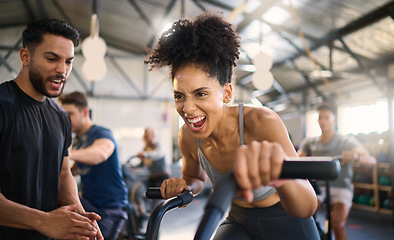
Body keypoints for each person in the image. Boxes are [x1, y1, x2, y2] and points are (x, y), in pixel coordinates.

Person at [145, 11, 320, 239]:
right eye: (179, 96)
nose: (187, 108)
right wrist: (183, 185)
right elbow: (196, 178)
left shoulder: (261, 123)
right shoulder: (187, 137)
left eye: (200, 94)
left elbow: (307, 206)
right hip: (240, 221)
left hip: (287, 220)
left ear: (226, 93)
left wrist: (279, 175)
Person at [0, 19, 103, 240]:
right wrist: (43, 221)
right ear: (25, 57)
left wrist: (81, 219)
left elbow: (63, 174)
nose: (62, 70)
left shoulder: (60, 117)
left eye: (68, 61)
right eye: (51, 58)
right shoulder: (2, 105)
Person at [298, 102, 376, 240]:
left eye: (326, 117)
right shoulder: (310, 142)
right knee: (302, 216)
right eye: (320, 117)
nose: (323, 121)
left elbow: (371, 161)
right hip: (319, 188)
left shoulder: (346, 141)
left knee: (337, 223)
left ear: (334, 119)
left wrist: (356, 156)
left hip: (341, 187)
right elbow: (297, 157)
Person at [59, 91, 129, 239]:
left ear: (84, 112)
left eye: (69, 114)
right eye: (62, 115)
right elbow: (76, 169)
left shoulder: (101, 133)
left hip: (109, 208)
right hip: (89, 202)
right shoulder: (78, 140)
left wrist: (65, 154)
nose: (65, 119)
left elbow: (100, 154)